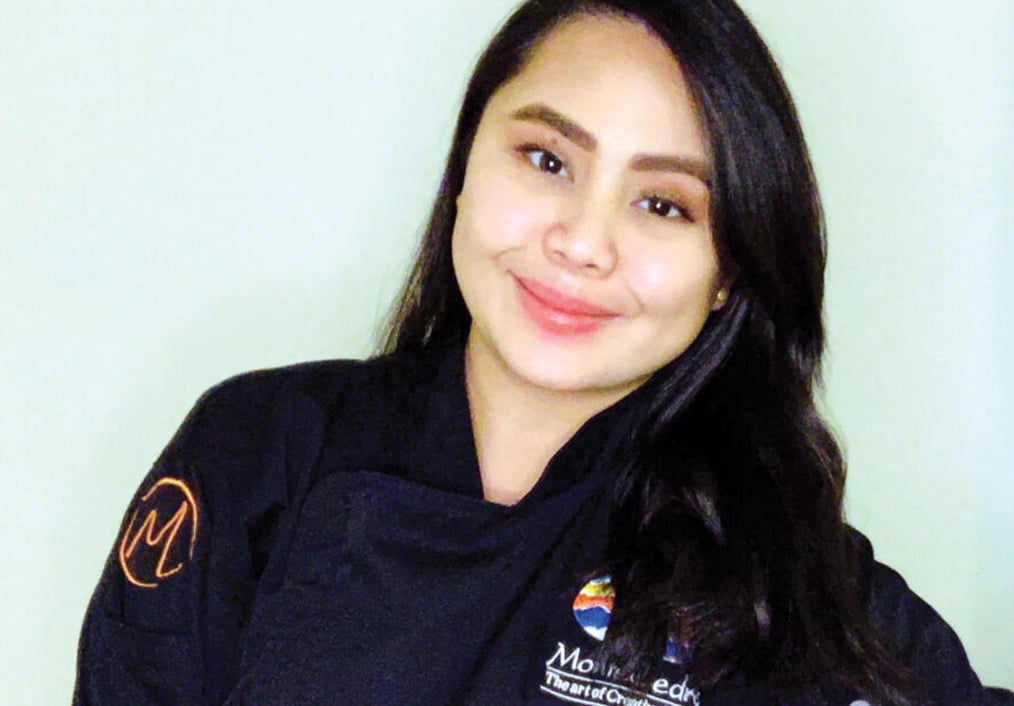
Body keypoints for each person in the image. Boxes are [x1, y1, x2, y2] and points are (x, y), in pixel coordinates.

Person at [74, 1, 1008, 704]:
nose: (582, 242)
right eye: (548, 160)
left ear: (730, 271)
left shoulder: (782, 577)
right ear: (467, 165)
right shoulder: (258, 452)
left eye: (664, 205)